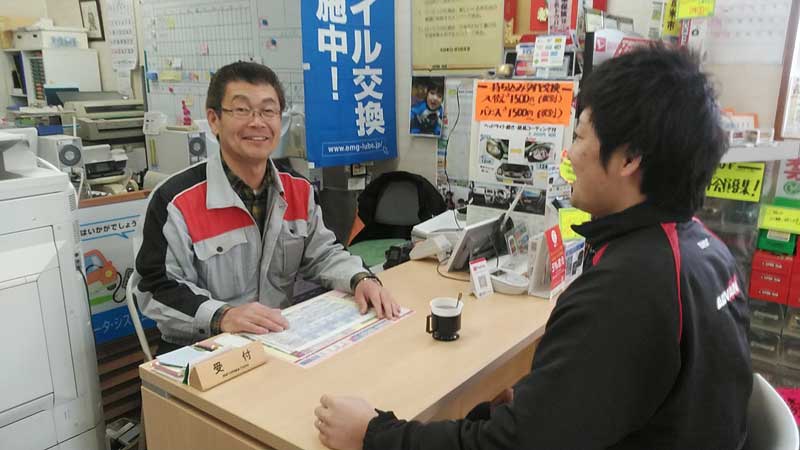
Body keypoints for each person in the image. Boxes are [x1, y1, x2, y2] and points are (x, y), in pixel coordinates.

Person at [314, 45, 751, 450]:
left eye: (579, 137)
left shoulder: (629, 287)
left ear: (629, 159)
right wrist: (547, 399)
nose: (570, 154)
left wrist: (373, 434)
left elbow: (512, 445)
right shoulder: (704, 248)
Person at [134, 62, 400, 353]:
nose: (257, 122)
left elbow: (323, 253)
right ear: (214, 120)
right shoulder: (174, 201)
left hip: (275, 345)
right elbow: (155, 288)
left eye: (268, 111)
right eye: (242, 110)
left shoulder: (298, 190)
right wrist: (223, 316)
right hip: (204, 350)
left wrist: (360, 279)